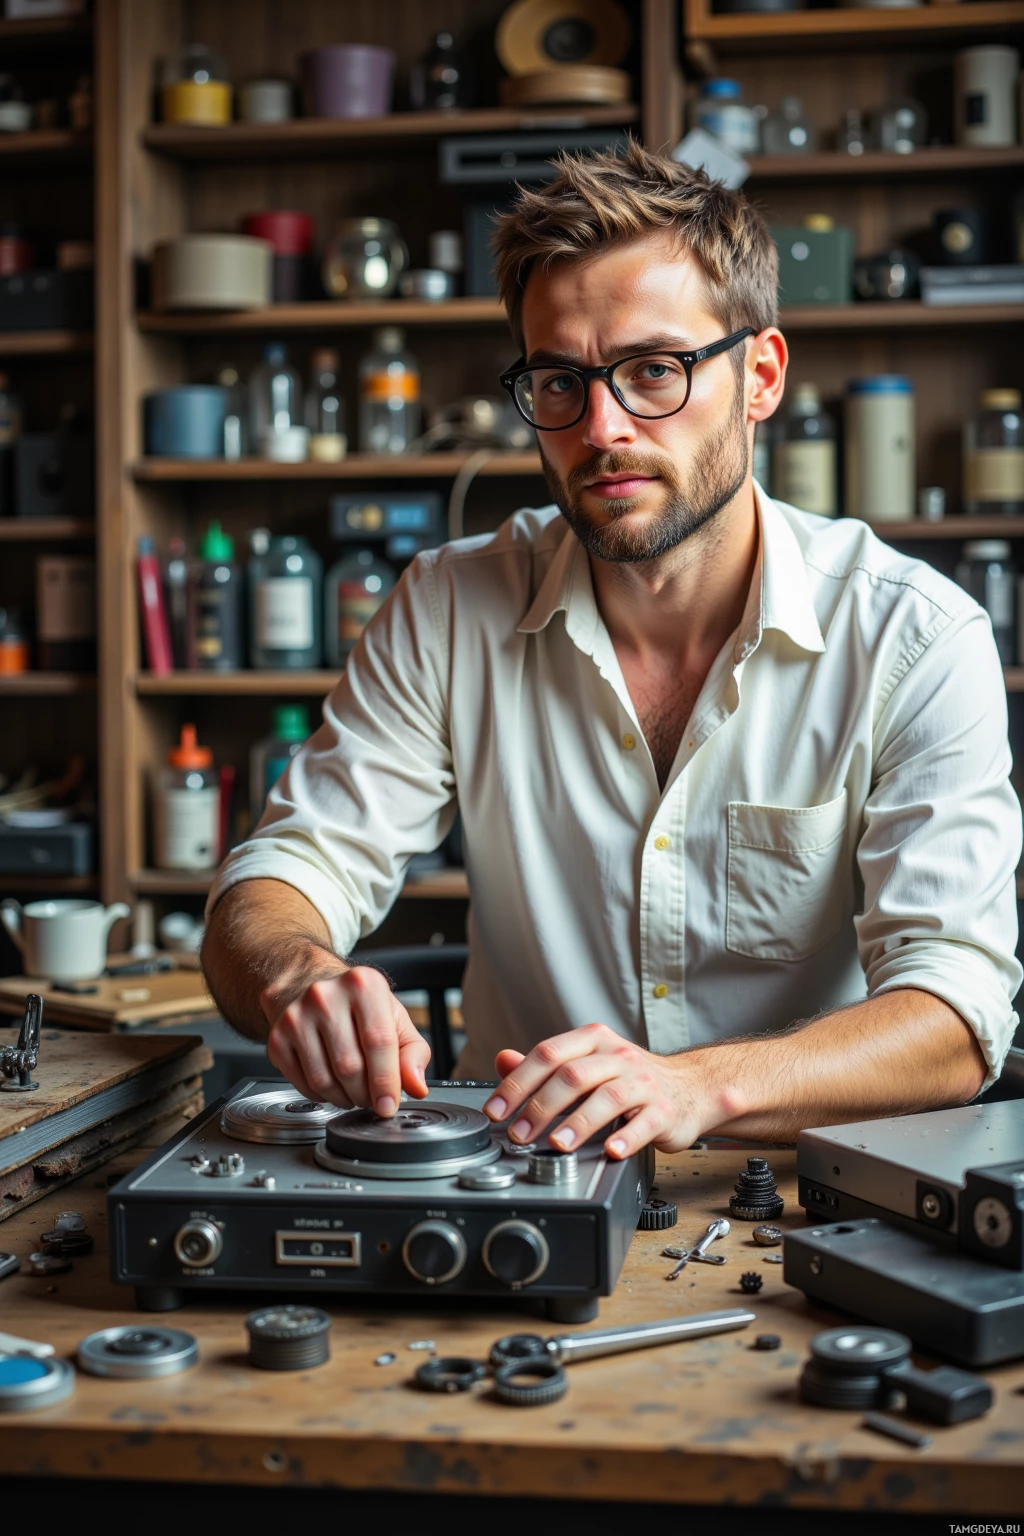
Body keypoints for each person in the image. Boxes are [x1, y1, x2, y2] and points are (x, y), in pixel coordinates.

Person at [202, 141, 1021, 1163]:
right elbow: (282, 875)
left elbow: (954, 1014)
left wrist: (696, 1088)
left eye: (653, 371)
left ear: (759, 377)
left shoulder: (912, 636)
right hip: (517, 1180)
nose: (601, 428)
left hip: (808, 1201)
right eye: (559, 382)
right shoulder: (450, 606)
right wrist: (295, 977)